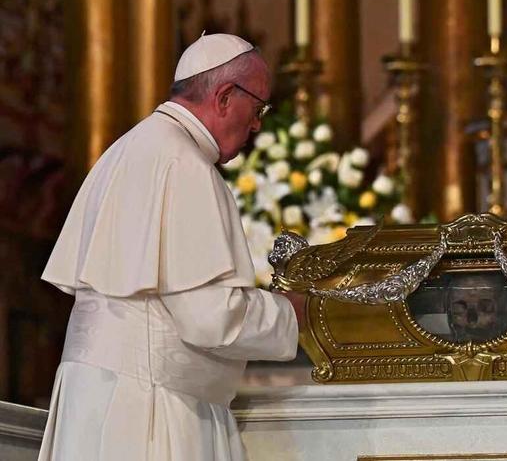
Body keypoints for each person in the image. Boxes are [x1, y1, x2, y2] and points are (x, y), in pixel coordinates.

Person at [37, 33, 306, 460]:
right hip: (151, 410)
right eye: (257, 109)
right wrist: (292, 312)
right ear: (223, 97)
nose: (257, 124)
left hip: (93, 399)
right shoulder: (184, 164)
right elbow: (211, 317)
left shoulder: (126, 150)